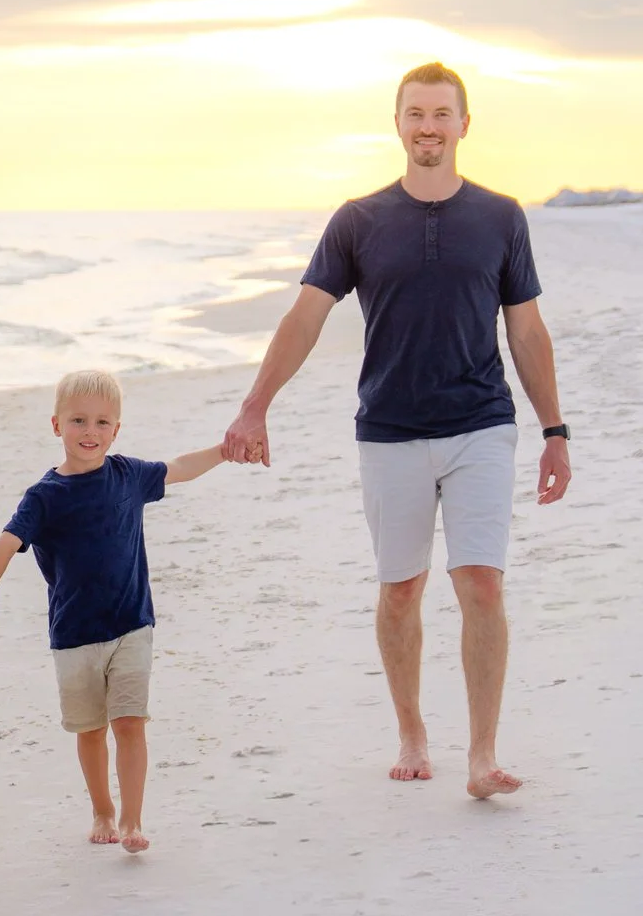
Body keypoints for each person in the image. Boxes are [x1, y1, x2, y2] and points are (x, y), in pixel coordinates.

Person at [222, 63, 571, 799]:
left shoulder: (503, 217)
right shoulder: (358, 220)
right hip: (389, 430)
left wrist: (555, 430)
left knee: (480, 582)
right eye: (416, 113)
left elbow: (528, 330)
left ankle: (481, 754)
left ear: (464, 125)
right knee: (402, 591)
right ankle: (412, 730)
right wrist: (256, 404)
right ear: (398, 123)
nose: (429, 126)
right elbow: (305, 317)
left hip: (482, 422)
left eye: (443, 114)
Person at [0, 369, 239, 854]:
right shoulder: (44, 497)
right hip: (74, 635)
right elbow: (6, 543)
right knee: (90, 731)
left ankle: (132, 821)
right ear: (56, 425)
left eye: (102, 422)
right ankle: (102, 810)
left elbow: (179, 467)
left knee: (130, 722)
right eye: (79, 421)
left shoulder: (128, 475)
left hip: (132, 624)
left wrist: (225, 449)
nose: (90, 432)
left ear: (117, 430)